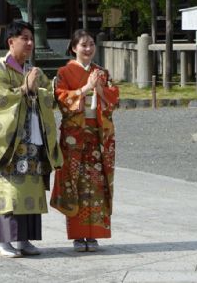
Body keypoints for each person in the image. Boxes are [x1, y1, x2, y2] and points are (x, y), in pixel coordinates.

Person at [0, 21, 63, 258]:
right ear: (11, 41)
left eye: (31, 38)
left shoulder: (32, 70)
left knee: (30, 190)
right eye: (24, 38)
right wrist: (24, 89)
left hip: (32, 139)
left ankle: (24, 239)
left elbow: (51, 97)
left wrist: (42, 89)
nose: (29, 43)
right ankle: (4, 241)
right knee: (9, 190)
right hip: (10, 141)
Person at [50, 29, 119, 252]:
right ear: (73, 48)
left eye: (90, 45)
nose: (88, 49)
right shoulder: (64, 71)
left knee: (97, 183)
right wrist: (86, 89)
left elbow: (113, 97)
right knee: (76, 182)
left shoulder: (102, 72)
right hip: (75, 136)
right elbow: (61, 99)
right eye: (83, 45)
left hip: (98, 135)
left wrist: (99, 87)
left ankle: (95, 234)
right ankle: (79, 236)